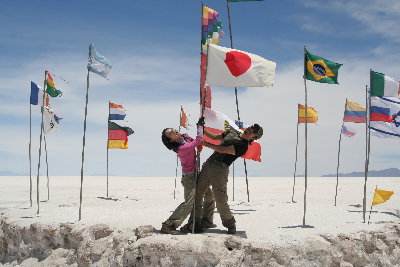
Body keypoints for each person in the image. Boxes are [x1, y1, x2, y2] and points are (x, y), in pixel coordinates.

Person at [194, 124, 263, 234]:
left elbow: (222, 149)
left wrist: (205, 144)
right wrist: (202, 129)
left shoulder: (243, 146)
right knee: (198, 192)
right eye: (251, 127)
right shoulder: (232, 132)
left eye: (254, 131)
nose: (250, 129)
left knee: (220, 200)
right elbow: (215, 137)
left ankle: (230, 224)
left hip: (220, 169)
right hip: (208, 164)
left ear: (254, 138)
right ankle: (197, 222)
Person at [160, 117, 215, 234]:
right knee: (189, 203)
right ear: (170, 140)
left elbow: (197, 142)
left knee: (209, 196)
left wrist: (199, 136)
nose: (174, 131)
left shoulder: (185, 138)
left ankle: (206, 220)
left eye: (173, 129)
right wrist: (200, 127)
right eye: (170, 133)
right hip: (189, 178)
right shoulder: (181, 149)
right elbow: (197, 141)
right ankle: (169, 224)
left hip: (196, 174)